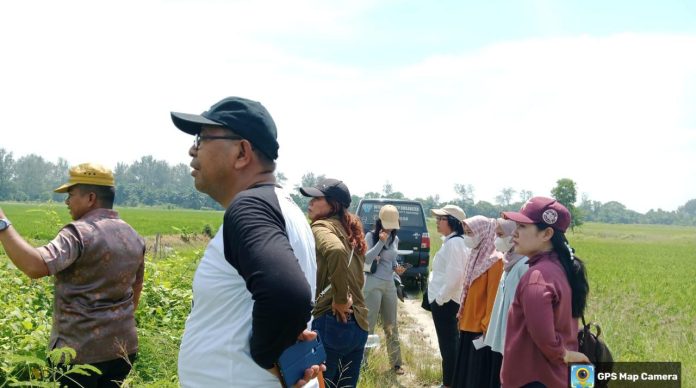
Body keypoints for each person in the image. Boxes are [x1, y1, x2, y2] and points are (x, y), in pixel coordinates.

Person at [171, 97, 322, 387]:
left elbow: (287, 296)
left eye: (202, 138)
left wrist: (268, 356)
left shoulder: (250, 207)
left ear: (242, 152)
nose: (192, 149)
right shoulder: (283, 207)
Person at [0, 163, 145, 388]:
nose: (66, 202)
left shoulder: (79, 232)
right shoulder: (133, 235)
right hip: (122, 350)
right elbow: (135, 292)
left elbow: (35, 266)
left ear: (90, 198)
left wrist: (2, 224)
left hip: (78, 355)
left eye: (70, 194)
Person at [501, 197, 590, 387]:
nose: (514, 233)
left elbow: (545, 338)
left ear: (547, 233)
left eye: (523, 227)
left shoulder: (537, 278)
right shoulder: (562, 267)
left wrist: (565, 355)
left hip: (535, 378)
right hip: (559, 377)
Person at [300, 179, 369, 388]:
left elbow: (336, 251)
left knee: (323, 384)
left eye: (317, 198)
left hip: (333, 319)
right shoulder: (351, 231)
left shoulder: (321, 227)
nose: (310, 203)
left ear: (333, 204)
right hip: (359, 322)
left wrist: (339, 299)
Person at [451, 215, 504, 388]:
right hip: (467, 325)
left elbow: (493, 300)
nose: (467, 237)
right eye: (465, 232)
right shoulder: (475, 255)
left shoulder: (494, 261)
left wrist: (485, 328)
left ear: (483, 233)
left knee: (475, 377)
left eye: (470, 233)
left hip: (480, 331)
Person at [425, 204, 469, 388]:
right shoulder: (452, 241)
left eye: (441, 219)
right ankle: (451, 381)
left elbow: (455, 277)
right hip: (446, 300)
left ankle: (450, 383)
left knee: (449, 345)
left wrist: (440, 299)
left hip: (447, 302)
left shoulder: (456, 243)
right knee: (448, 343)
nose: (437, 222)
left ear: (452, 222)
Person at [482, 218, 529, 386]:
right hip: (500, 334)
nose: (496, 239)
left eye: (501, 235)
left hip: (510, 338)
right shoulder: (508, 261)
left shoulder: (524, 265)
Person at [362, 204, 407, 375]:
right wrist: (380, 242)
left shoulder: (395, 239)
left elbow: (392, 260)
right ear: (380, 222)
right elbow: (367, 258)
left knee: (391, 324)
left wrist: (397, 268)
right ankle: (363, 362)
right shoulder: (370, 236)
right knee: (368, 324)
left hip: (389, 283)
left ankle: (396, 363)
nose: (389, 227)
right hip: (372, 283)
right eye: (386, 223)